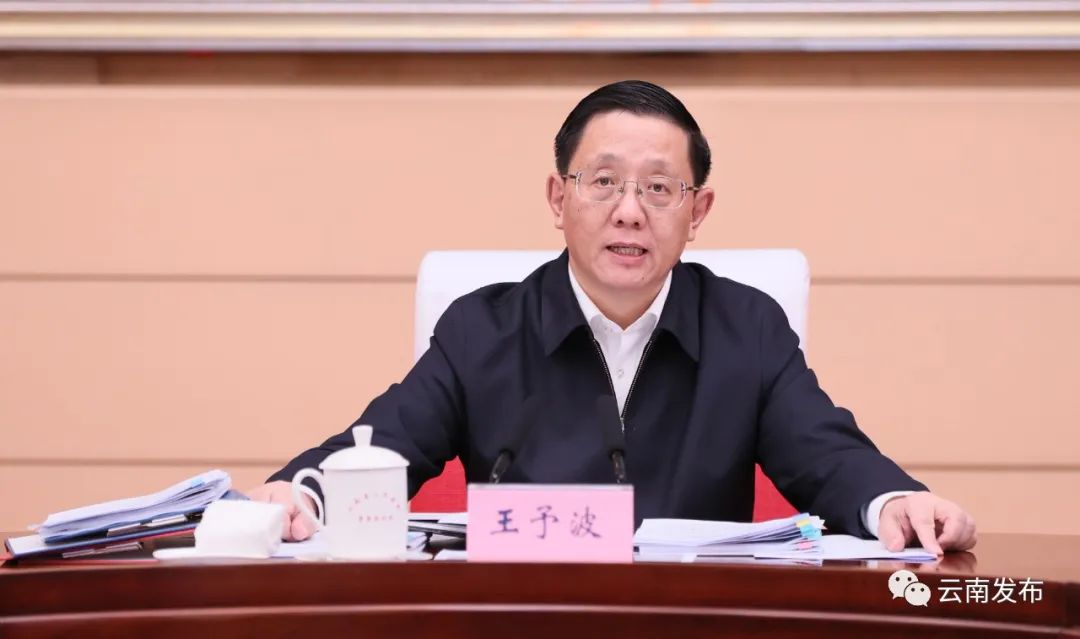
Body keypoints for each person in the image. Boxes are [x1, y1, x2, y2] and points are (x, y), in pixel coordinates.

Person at [248, 80, 977, 555]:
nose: (629, 211)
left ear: (697, 211)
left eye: (659, 188)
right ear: (558, 198)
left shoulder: (746, 327)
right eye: (603, 181)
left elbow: (826, 453)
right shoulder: (483, 329)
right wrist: (301, 492)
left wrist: (894, 502)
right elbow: (386, 440)